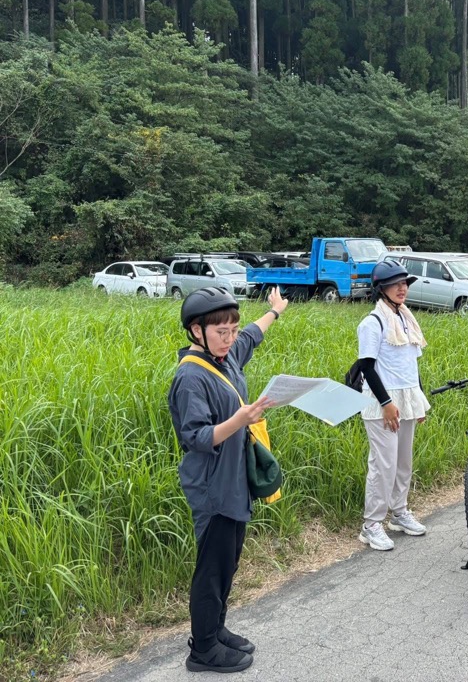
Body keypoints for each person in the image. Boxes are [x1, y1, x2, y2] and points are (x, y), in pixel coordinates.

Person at [168, 286, 288, 673]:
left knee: (228, 561)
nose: (231, 338)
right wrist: (241, 419)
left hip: (234, 481)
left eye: (233, 329)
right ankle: (202, 649)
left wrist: (275, 311)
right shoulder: (190, 377)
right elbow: (196, 437)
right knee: (212, 568)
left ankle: (216, 630)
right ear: (196, 331)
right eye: (222, 331)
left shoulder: (228, 356)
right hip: (212, 486)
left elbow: (253, 334)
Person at [354, 259, 430, 552]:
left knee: (403, 462)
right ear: (381, 288)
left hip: (406, 398)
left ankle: (399, 512)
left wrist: (418, 401)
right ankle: (371, 524)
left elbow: (411, 365)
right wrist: (386, 403)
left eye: (405, 283)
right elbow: (367, 367)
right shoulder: (372, 323)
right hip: (382, 401)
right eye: (395, 284)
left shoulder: (406, 318)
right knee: (383, 464)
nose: (402, 288)